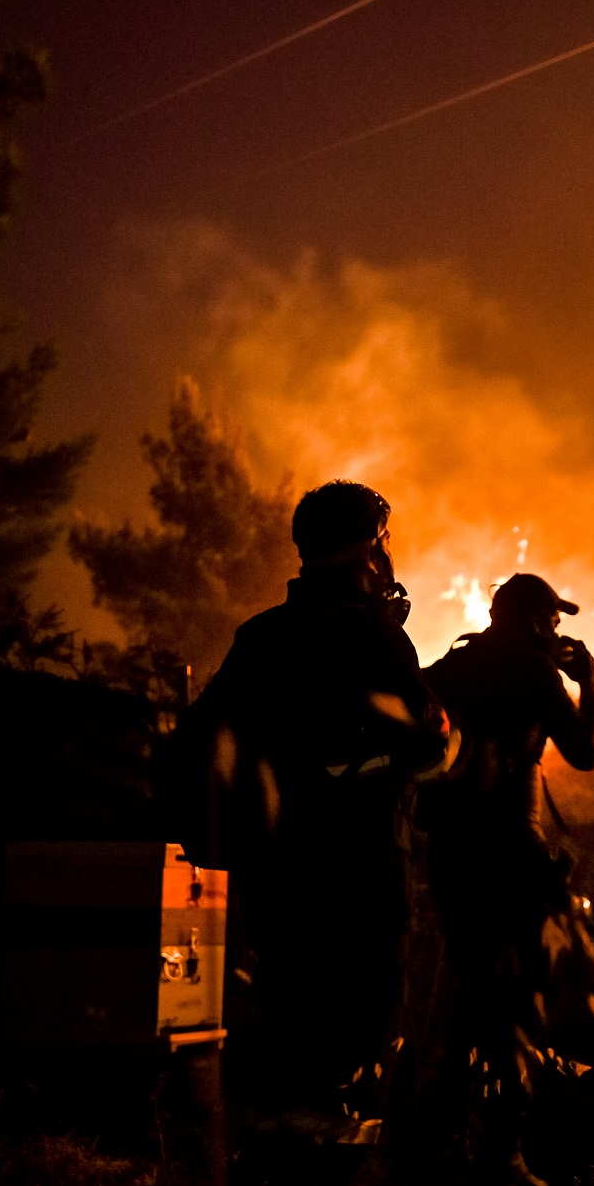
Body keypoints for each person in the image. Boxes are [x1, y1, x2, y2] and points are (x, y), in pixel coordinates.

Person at [178, 480, 448, 1136]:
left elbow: (202, 747)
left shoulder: (261, 637)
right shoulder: (372, 637)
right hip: (358, 870)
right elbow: (426, 750)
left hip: (275, 875)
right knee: (358, 1025)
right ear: (371, 549)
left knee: (288, 1024)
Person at [419, 572, 594, 1168]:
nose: (557, 632)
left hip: (451, 853)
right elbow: (585, 753)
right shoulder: (534, 672)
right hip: (513, 856)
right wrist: (590, 684)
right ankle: (503, 1152)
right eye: (552, 620)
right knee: (518, 1001)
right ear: (532, 620)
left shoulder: (451, 666)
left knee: (467, 988)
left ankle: (438, 1138)